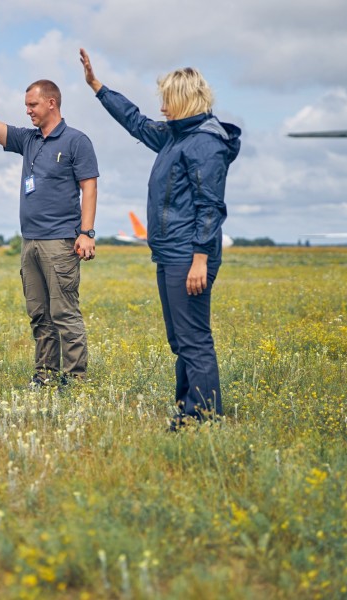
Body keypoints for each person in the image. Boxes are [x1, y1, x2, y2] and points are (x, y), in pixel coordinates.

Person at [79, 48, 240, 429]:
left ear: (183, 99)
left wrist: (200, 257)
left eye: (167, 99)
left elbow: (210, 205)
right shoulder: (175, 136)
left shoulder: (204, 142)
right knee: (180, 339)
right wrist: (98, 87)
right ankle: (189, 409)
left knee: (194, 339)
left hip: (189, 254)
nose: (162, 106)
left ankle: (202, 418)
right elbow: (135, 122)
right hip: (171, 253)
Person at [0, 59, 99, 388]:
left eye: (32, 104)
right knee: (40, 316)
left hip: (60, 242)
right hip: (29, 242)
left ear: (51, 103)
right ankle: (44, 376)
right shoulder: (28, 140)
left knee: (64, 314)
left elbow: (89, 186)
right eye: (25, 105)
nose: (27, 111)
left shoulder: (76, 141)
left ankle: (75, 382)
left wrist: (86, 233)